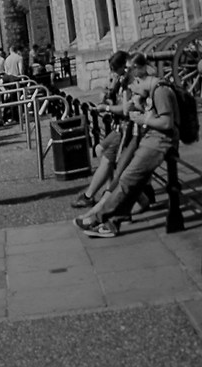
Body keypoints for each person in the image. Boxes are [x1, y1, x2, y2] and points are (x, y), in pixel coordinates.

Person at [76, 70, 180, 238]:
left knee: (126, 179)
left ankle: (99, 218)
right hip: (152, 140)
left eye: (134, 89)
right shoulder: (155, 90)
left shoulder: (160, 91)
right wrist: (141, 109)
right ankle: (112, 221)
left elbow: (167, 122)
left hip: (159, 143)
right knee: (131, 183)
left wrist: (143, 120)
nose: (135, 94)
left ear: (138, 80)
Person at [72, 52, 136, 210]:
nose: (112, 72)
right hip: (118, 127)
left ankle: (91, 195)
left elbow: (125, 110)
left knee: (107, 159)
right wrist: (108, 91)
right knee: (99, 149)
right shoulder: (119, 80)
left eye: (114, 69)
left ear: (123, 66)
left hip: (125, 128)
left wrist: (106, 107)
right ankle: (110, 190)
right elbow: (108, 98)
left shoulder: (129, 81)